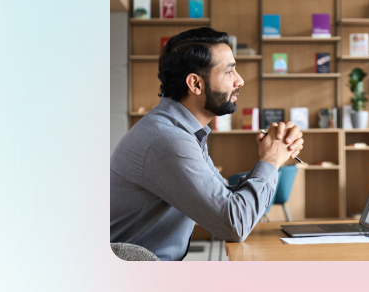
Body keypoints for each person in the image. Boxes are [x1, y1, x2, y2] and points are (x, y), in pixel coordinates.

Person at [110, 27, 304, 261]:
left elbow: (226, 201)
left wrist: (269, 156)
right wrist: (270, 160)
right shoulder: (169, 140)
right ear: (196, 84)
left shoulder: (183, 131)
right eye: (229, 71)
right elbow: (233, 224)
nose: (239, 80)